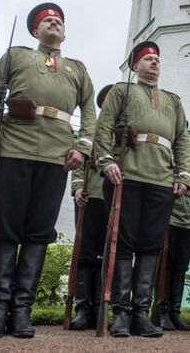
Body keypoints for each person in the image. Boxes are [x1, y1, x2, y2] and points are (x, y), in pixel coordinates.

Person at [0, 2, 96, 339]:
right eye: (46, 21)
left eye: (58, 21)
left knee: (39, 230)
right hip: (14, 147)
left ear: (64, 32)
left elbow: (90, 113)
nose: (53, 23)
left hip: (56, 155)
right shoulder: (17, 57)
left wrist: (83, 146)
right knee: (7, 226)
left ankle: (22, 310)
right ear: (35, 31)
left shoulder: (77, 70)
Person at [94, 41, 190, 338]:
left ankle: (140, 313)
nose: (154, 62)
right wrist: (105, 160)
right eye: (147, 59)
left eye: (157, 59)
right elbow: (103, 127)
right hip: (127, 176)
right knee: (123, 243)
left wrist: (183, 173)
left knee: (150, 246)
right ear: (135, 66)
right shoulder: (122, 92)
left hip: (161, 179)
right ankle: (121, 312)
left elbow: (181, 140)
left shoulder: (173, 101)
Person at [67, 84, 113, 331]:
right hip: (91, 195)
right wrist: (76, 188)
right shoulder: (92, 132)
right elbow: (78, 163)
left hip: (115, 202)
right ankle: (83, 308)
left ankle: (100, 308)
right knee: (86, 254)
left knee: (108, 255)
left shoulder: (124, 135)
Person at [157, 194, 190, 332]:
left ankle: (175, 312)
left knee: (181, 267)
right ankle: (162, 311)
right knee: (165, 266)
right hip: (170, 216)